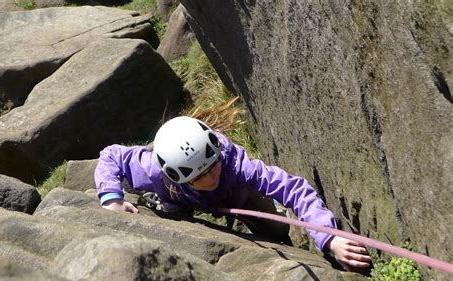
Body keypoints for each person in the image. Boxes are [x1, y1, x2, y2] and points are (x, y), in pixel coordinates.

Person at [94, 116, 371, 271]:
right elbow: (111, 156)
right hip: (178, 198)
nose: (211, 177)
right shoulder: (153, 171)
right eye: (200, 176)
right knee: (175, 216)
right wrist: (112, 198)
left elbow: (293, 188)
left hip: (238, 197)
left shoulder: (238, 167)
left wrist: (329, 238)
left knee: (275, 230)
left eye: (212, 166)